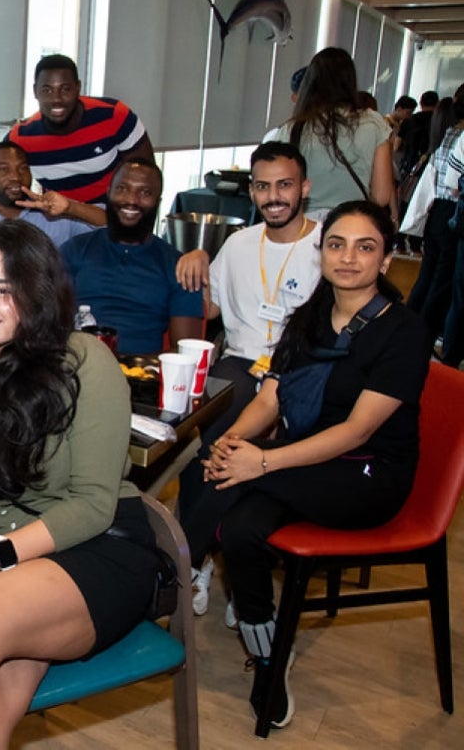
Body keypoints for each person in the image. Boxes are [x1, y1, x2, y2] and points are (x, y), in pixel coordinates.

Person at [0, 220, 158, 749]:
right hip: (6, 565)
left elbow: (92, 506)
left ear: (36, 294)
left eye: (3, 290)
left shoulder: (84, 360)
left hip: (95, 551)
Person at [180, 200, 430, 729]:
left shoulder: (403, 332)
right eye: (337, 244)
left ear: (385, 261)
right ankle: (268, 646)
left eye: (366, 247)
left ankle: (170, 578)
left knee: (229, 489)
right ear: (322, 253)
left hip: (367, 474)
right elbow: (270, 400)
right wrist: (231, 442)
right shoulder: (307, 320)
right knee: (241, 524)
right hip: (299, 464)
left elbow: (356, 431)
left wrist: (262, 462)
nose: (349, 258)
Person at [174, 142, 322, 616]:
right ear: (251, 190)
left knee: (227, 447)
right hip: (240, 363)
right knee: (206, 437)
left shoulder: (327, 247)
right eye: (263, 186)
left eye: (284, 185)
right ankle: (206, 563)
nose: (273, 196)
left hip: (301, 370)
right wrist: (192, 262)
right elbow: (210, 308)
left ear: (305, 188)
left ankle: (185, 563)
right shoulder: (238, 244)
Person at [60, 158, 204, 354]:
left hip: (142, 375)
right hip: (79, 368)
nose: (131, 200)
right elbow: (47, 325)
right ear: (109, 192)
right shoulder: (74, 250)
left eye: (145, 193)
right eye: (122, 189)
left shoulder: (178, 266)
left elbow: (186, 354)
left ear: (158, 202)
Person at [6, 54, 154, 219]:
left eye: (65, 89)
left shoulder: (113, 115)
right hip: (58, 220)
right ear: (35, 91)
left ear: (78, 88)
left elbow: (148, 177)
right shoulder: (21, 136)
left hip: (109, 221)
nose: (56, 99)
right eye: (47, 90)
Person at [264, 47, 393, 220]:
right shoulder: (374, 123)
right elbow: (382, 195)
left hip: (303, 227)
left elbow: (278, 191)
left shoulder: (291, 129)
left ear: (310, 82)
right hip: (352, 225)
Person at [405, 99, 464, 345]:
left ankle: (409, 322)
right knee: (441, 279)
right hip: (452, 211)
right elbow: (454, 186)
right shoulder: (459, 136)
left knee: (428, 272)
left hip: (435, 210)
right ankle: (424, 331)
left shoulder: (446, 134)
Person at [0, 140, 95, 248]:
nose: (16, 176)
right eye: (4, 169)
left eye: (23, 168)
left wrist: (71, 208)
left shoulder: (55, 216)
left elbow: (108, 226)